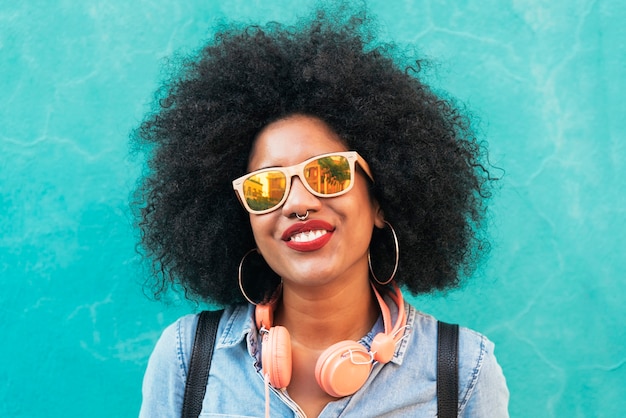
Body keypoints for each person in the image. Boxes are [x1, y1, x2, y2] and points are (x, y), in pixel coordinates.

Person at [134, 5, 509, 417]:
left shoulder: (463, 372)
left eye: (327, 173)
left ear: (381, 199)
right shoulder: (189, 360)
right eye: (266, 187)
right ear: (244, 219)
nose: (298, 204)